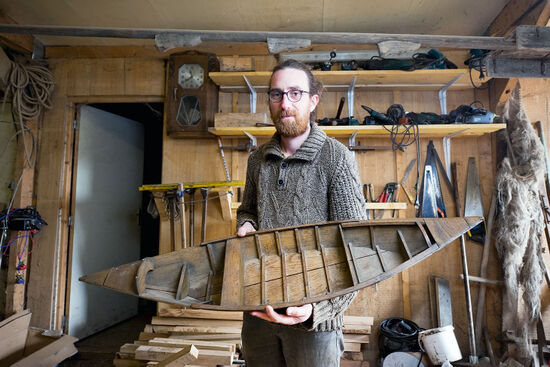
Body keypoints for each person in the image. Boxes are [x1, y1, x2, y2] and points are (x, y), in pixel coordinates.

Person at [236, 59, 368, 367]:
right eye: (277, 94)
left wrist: (318, 310)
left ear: (313, 100)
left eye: (296, 93)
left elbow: (358, 249)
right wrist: (246, 224)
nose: (285, 103)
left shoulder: (337, 158)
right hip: (259, 311)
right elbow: (248, 211)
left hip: (314, 323)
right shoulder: (257, 159)